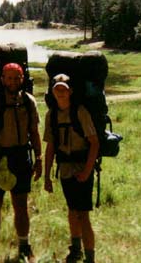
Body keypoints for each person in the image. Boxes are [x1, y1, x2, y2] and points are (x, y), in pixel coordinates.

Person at [0, 62, 42, 262]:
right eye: (9, 78)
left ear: (22, 79)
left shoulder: (29, 101)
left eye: (16, 78)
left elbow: (34, 132)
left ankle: (24, 246)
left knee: (21, 205)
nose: (13, 82)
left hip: (21, 157)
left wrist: (39, 158)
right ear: (2, 80)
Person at [43, 74, 100, 263]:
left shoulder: (80, 112)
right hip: (65, 169)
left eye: (64, 89)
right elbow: (51, 147)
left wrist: (86, 171)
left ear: (71, 91)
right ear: (52, 92)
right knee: (72, 210)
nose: (60, 92)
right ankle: (76, 250)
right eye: (57, 89)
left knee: (83, 214)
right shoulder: (51, 115)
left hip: (82, 167)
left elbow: (94, 143)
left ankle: (89, 257)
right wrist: (47, 176)